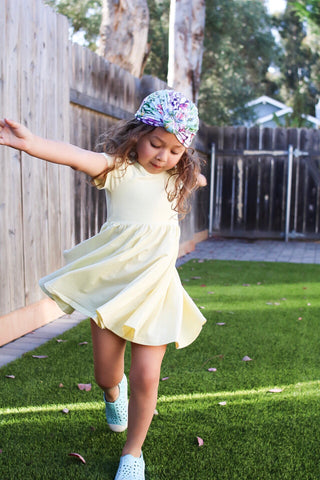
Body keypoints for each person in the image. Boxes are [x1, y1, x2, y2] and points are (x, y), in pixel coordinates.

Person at [0, 89, 207, 480]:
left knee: (148, 375)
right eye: (155, 144)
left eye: (175, 150)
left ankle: (133, 454)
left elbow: (194, 174)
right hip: (113, 290)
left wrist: (195, 177)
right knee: (106, 376)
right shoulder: (117, 169)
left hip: (157, 291)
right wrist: (28, 143)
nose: (163, 156)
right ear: (137, 134)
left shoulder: (178, 177)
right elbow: (73, 154)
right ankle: (115, 395)